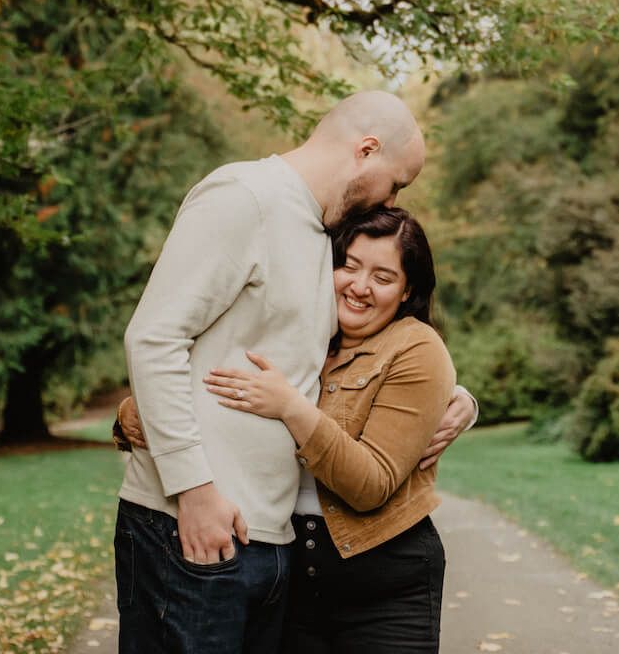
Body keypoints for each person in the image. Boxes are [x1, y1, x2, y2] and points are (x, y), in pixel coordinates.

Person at [114, 92, 474, 654]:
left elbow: (345, 358)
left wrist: (460, 401)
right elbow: (154, 336)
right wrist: (194, 491)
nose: (392, 198)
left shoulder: (318, 235)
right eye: (397, 183)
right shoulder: (243, 197)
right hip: (195, 526)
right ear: (367, 150)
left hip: (270, 542)